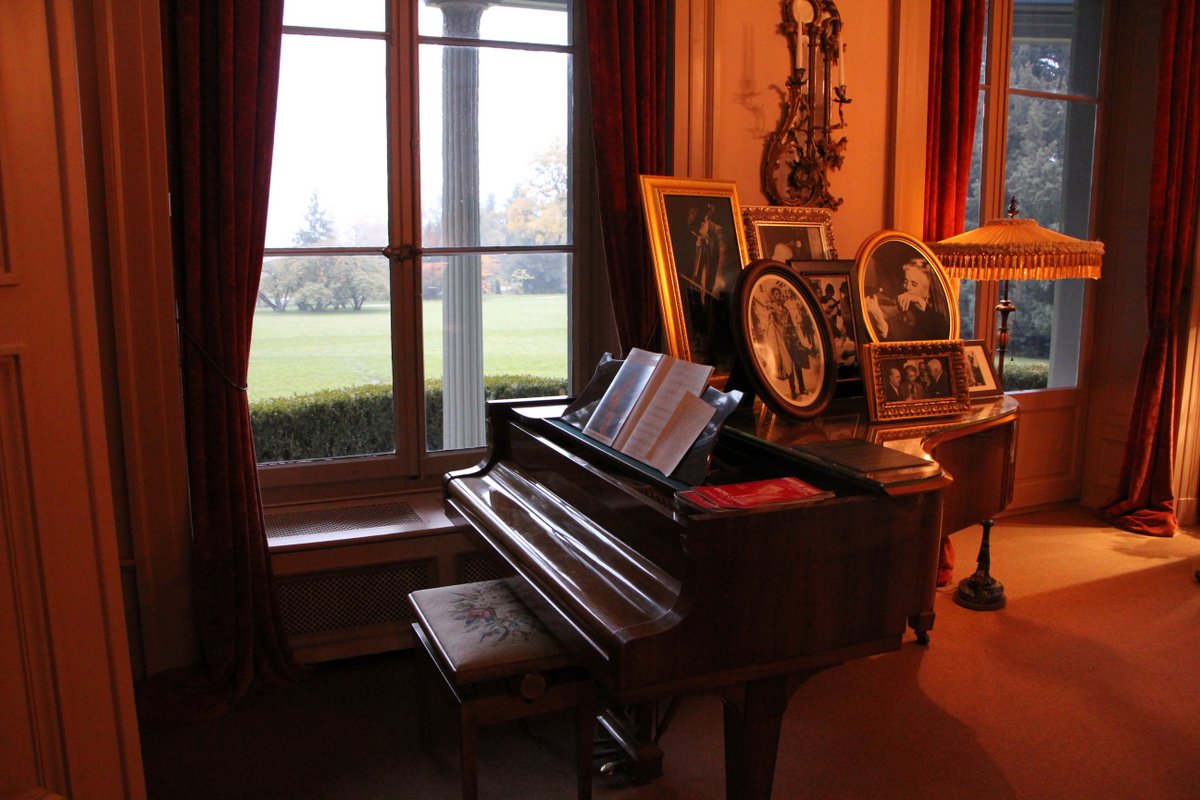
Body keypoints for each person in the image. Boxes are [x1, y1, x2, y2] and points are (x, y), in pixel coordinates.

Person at [865, 258, 949, 341]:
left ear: (927, 292)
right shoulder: (897, 306)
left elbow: (914, 341)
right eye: (905, 281)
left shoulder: (936, 321)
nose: (907, 287)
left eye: (914, 284)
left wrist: (880, 321)